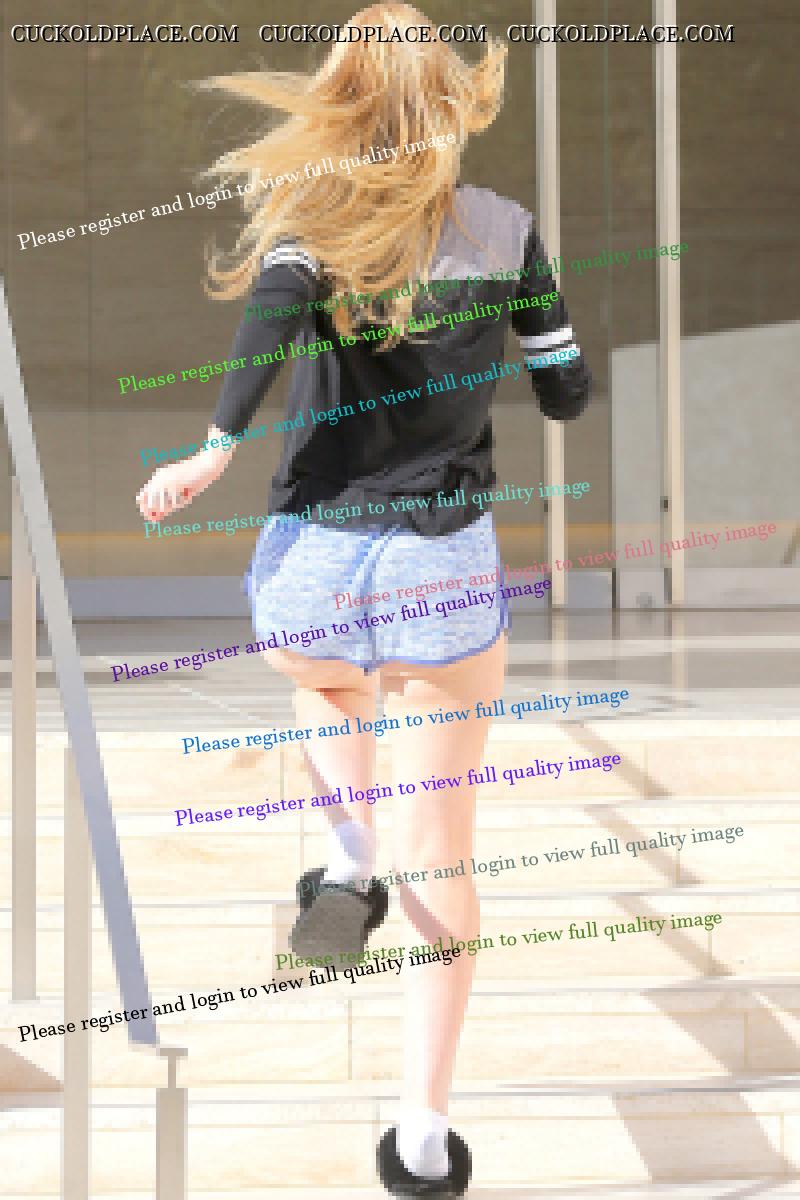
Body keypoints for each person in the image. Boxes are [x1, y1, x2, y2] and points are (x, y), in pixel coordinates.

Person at [136, 4, 590, 1194]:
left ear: (339, 97)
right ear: (449, 100)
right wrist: (550, 366)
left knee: (327, 683)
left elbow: (267, 327)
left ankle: (346, 862)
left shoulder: (311, 216)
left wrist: (213, 448)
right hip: (440, 560)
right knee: (443, 854)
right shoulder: (504, 228)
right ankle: (421, 1136)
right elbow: (562, 387)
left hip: (316, 556)